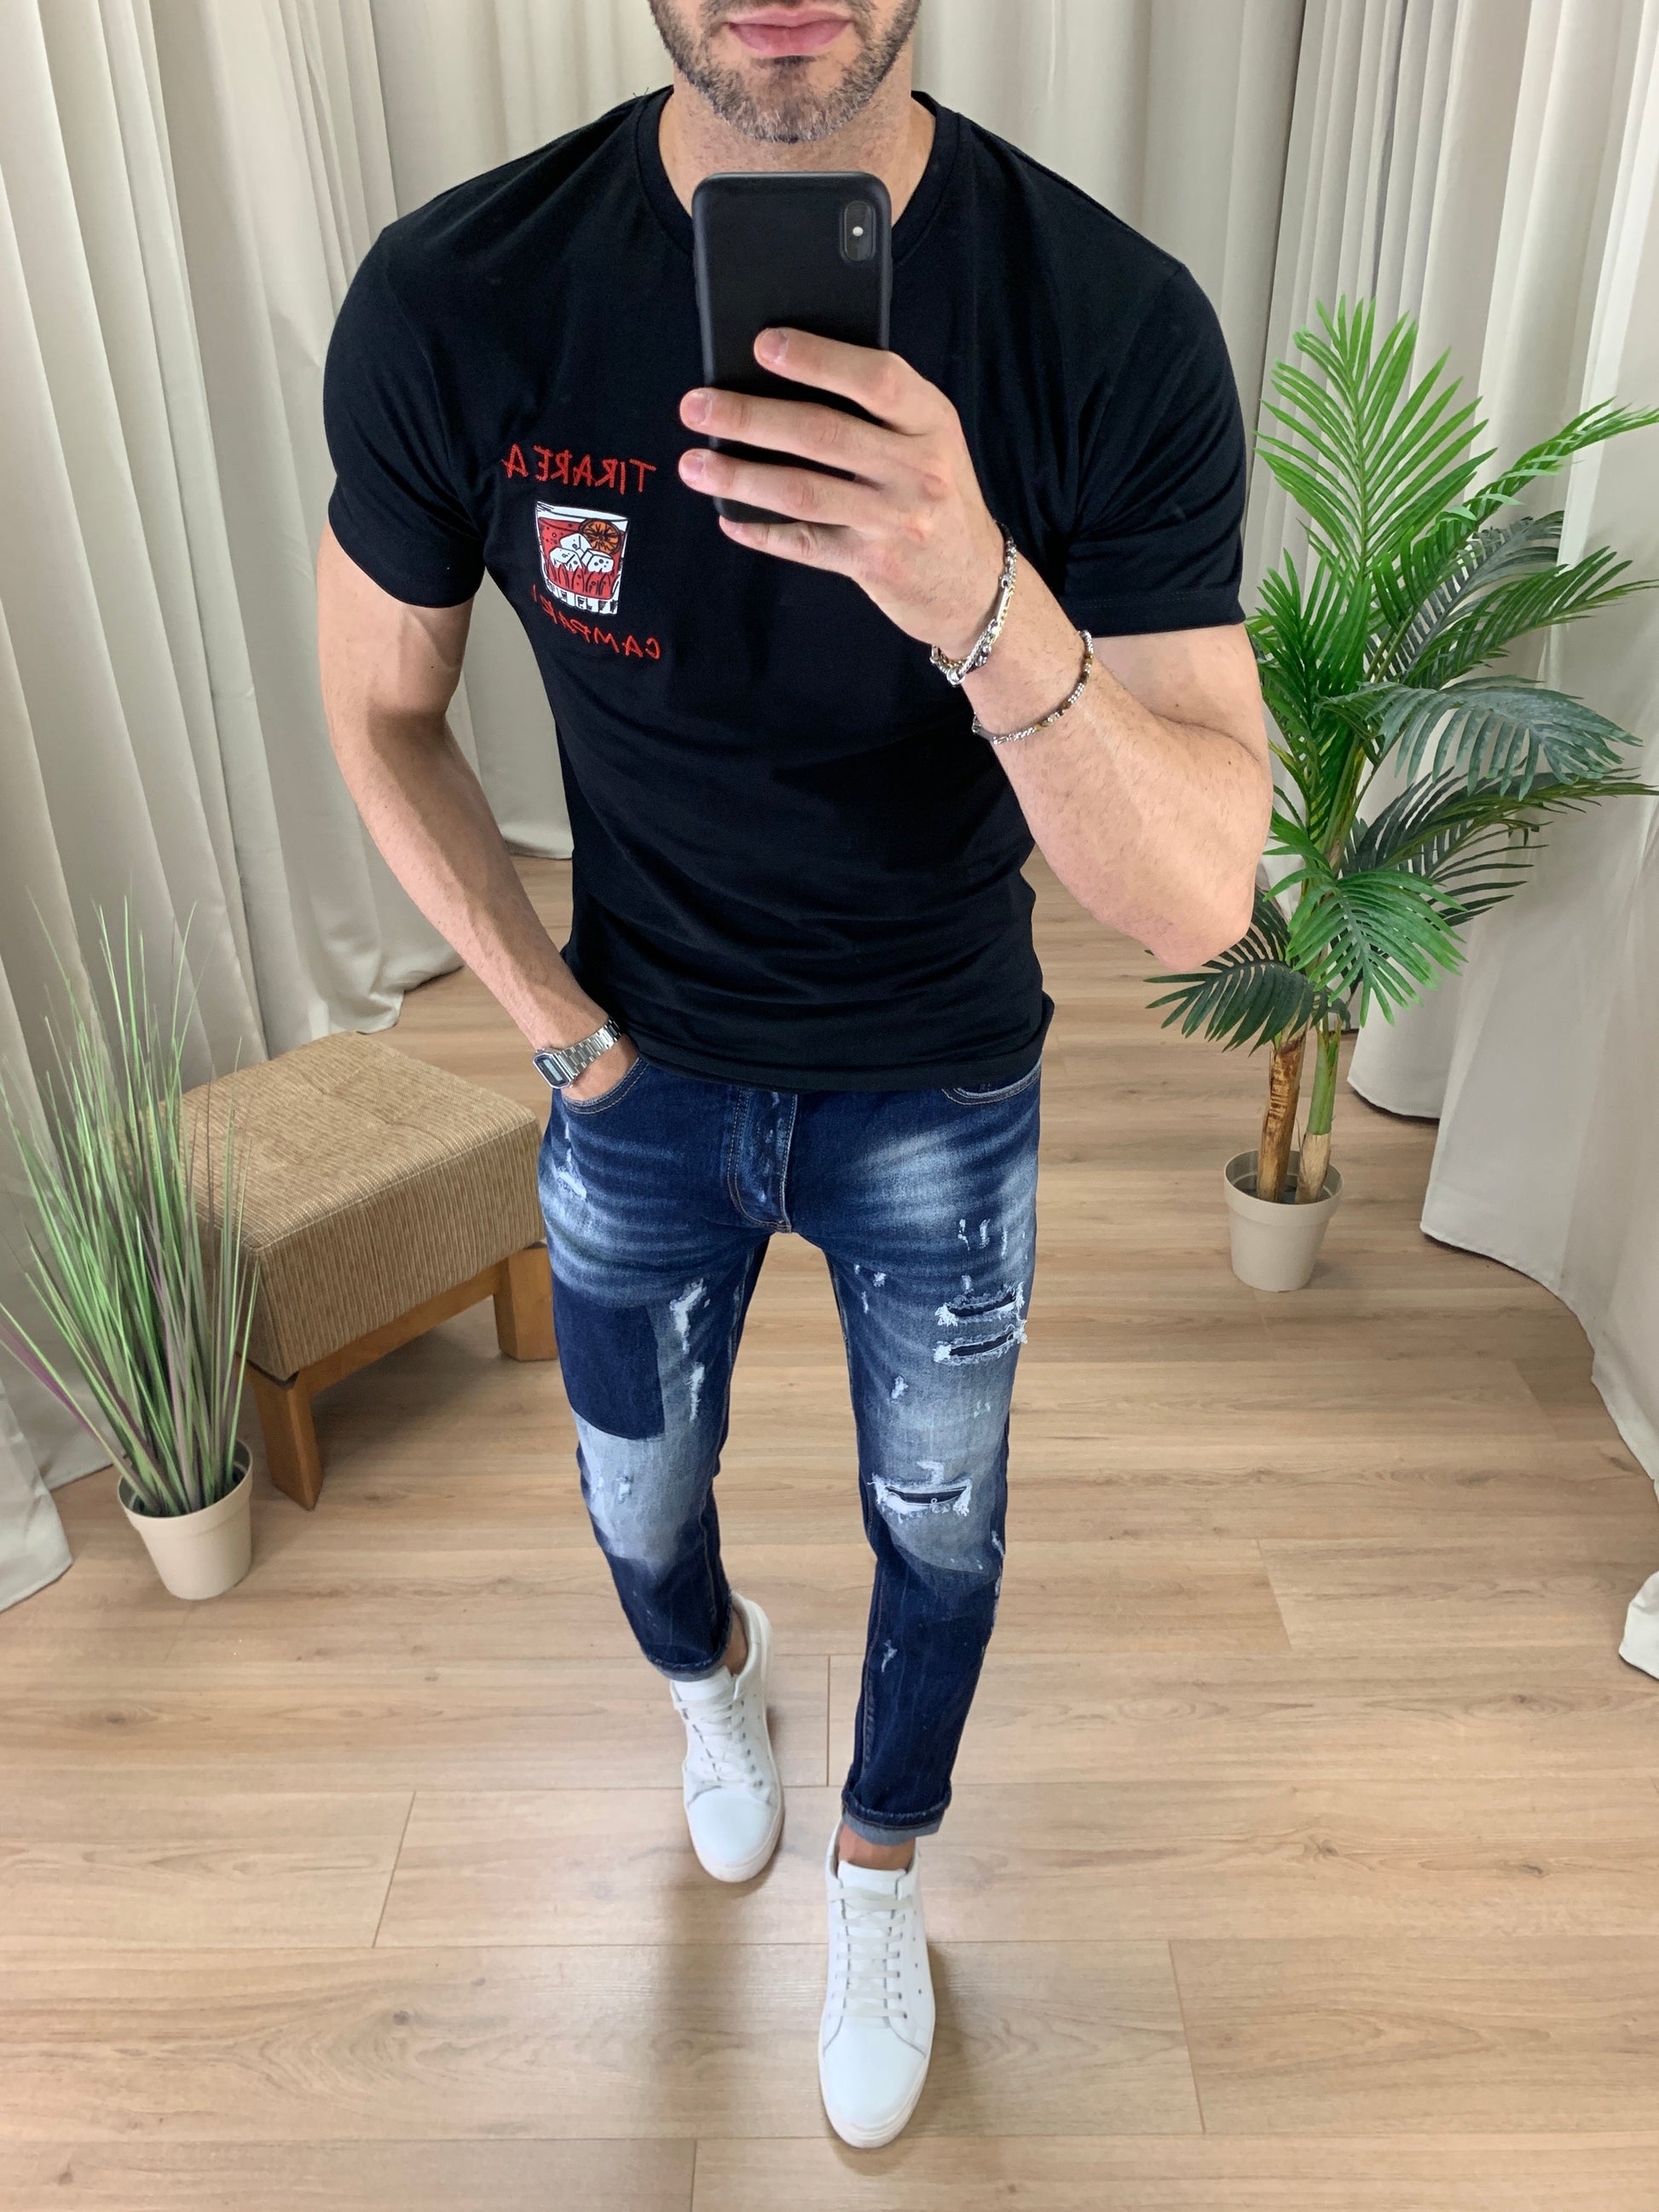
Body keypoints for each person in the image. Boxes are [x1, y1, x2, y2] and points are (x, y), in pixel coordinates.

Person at [317, 0, 1271, 2151]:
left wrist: (979, 594)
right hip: (630, 1070)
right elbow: (376, 705)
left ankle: (879, 1867)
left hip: (939, 1082)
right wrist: (555, 1024)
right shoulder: (461, 294)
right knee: (635, 1507)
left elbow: (1204, 888)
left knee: (942, 1526)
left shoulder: (1106, 319)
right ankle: (713, 1679)